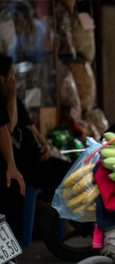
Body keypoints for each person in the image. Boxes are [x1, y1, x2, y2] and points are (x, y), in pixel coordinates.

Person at [0, 54, 72, 239]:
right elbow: (9, 126)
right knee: (57, 179)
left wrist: (44, 144)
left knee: (70, 171)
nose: (13, 79)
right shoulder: (6, 98)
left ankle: (70, 223)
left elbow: (29, 125)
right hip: (23, 163)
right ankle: (55, 227)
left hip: (34, 156)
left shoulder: (13, 100)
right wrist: (11, 97)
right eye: (10, 75)